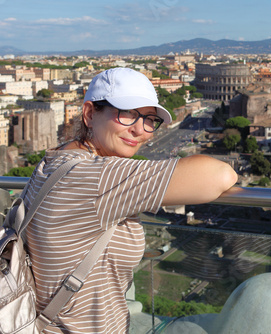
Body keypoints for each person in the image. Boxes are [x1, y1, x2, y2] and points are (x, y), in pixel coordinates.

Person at [22, 67, 238, 333]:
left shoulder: (53, 162)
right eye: (127, 114)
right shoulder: (98, 178)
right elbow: (220, 175)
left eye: (149, 119)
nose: (141, 131)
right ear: (90, 114)